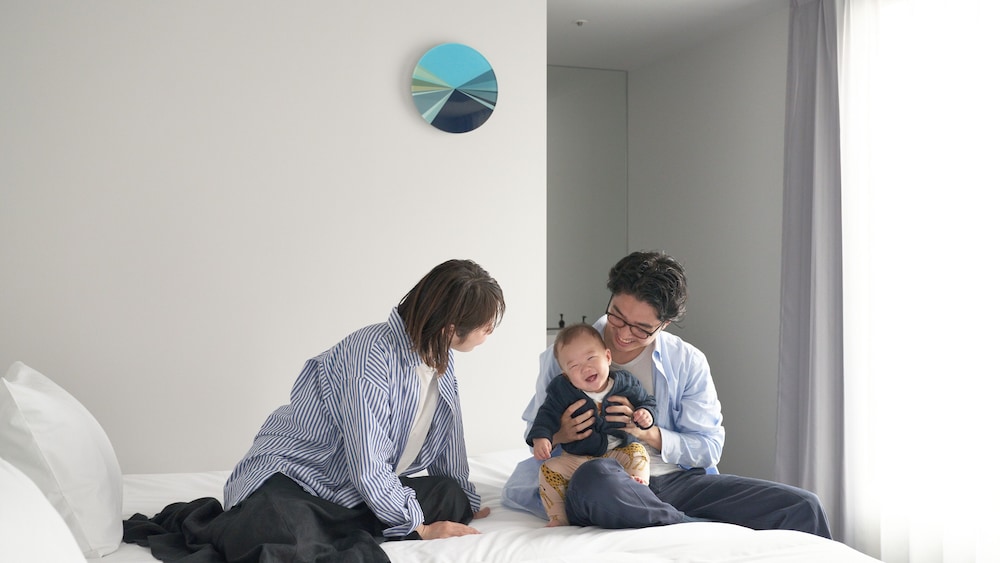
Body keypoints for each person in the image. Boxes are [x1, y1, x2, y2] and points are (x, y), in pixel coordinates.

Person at [124, 259, 505, 563]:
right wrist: (418, 528)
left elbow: (448, 441)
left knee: (450, 496)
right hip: (296, 478)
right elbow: (368, 463)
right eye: (486, 326)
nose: (490, 331)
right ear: (449, 328)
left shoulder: (438, 360)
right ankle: (336, 523)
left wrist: (465, 500)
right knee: (281, 533)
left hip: (347, 487)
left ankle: (349, 521)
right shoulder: (370, 358)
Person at [502, 251, 831, 537]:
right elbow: (535, 434)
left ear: (665, 323)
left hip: (675, 482)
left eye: (641, 328)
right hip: (599, 479)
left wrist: (649, 433)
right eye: (617, 316)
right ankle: (694, 526)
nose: (624, 334)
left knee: (803, 505)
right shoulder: (564, 355)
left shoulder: (687, 361)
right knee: (597, 478)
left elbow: (708, 447)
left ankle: (664, 515)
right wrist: (561, 433)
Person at [528, 323, 657, 527]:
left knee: (638, 452)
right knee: (548, 470)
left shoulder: (625, 383)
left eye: (591, 358)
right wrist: (542, 438)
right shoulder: (561, 391)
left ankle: (638, 486)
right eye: (574, 366)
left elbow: (646, 401)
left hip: (618, 452)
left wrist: (645, 413)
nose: (585, 368)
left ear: (607, 357)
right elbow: (546, 416)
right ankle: (558, 517)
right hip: (578, 458)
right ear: (565, 374)